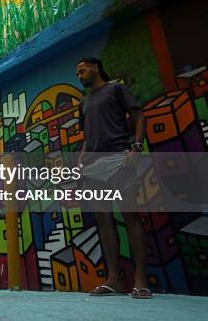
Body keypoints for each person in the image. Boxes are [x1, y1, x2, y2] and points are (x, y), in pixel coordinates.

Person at [75, 57, 152, 299]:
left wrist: (136, 148)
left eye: (82, 69)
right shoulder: (84, 103)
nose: (79, 75)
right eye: (77, 73)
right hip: (92, 167)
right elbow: (88, 135)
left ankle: (140, 279)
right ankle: (114, 279)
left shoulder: (116, 88)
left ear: (96, 67)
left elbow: (139, 116)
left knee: (131, 216)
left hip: (120, 157)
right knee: (104, 219)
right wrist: (80, 159)